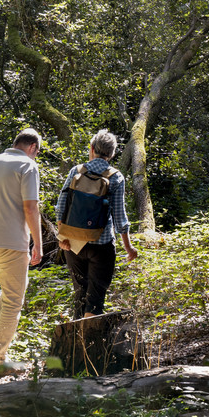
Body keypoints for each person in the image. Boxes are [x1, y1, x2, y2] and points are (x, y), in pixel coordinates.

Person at [0, 127, 44, 377]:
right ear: (33, 148)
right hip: (11, 243)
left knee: (10, 288)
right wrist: (38, 244)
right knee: (14, 300)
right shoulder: (28, 166)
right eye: (38, 152)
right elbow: (30, 208)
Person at [57, 129, 138, 319]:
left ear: (92, 148)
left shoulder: (76, 171)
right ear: (112, 154)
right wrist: (129, 248)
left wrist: (63, 238)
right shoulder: (116, 177)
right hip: (101, 246)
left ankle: (78, 344)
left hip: (73, 246)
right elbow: (120, 218)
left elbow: (60, 207)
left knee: (80, 296)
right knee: (95, 300)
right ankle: (91, 343)